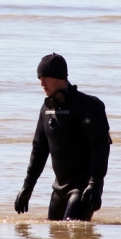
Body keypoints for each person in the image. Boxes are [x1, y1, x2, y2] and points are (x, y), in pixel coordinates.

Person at [14, 53, 112, 221]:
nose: (42, 83)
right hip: (59, 189)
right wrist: (27, 188)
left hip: (83, 187)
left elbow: (101, 146)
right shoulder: (46, 110)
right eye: (40, 78)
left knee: (70, 230)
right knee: (55, 232)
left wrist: (95, 183)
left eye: (45, 78)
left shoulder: (89, 105)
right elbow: (39, 150)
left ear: (59, 77)